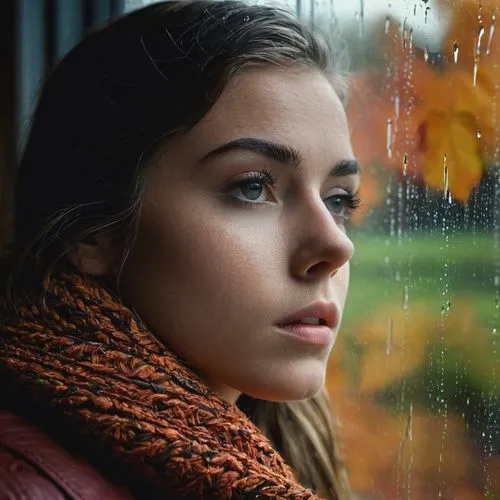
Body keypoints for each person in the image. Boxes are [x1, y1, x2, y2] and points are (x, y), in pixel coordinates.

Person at [0, 0, 361, 498]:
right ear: (93, 231)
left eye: (339, 199)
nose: (335, 244)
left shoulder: (265, 454)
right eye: (253, 187)